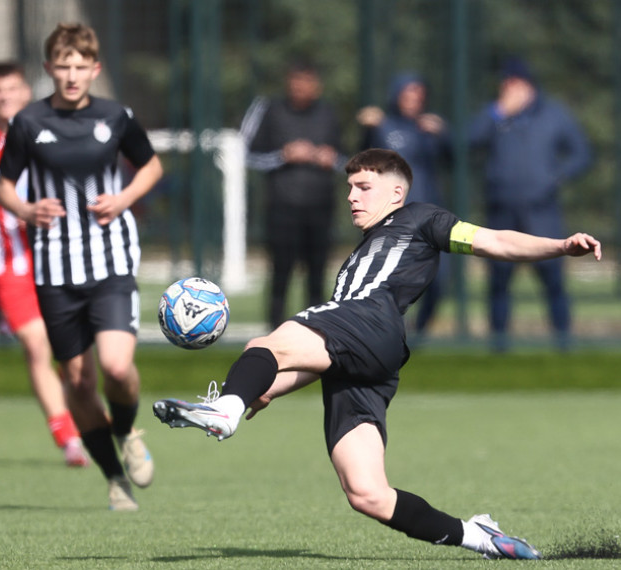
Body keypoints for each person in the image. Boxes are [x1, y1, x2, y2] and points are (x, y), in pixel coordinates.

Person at [154, 149, 601, 559]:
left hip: (371, 320)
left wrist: (559, 246)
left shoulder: (421, 218)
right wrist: (267, 387)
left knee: (263, 345)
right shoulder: (358, 255)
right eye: (349, 187)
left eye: (363, 187)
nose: (352, 197)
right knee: (367, 494)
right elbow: (324, 355)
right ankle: (480, 536)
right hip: (368, 360)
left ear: (397, 193)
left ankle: (225, 410)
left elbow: (494, 241)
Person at [0, 22, 163, 511]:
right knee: (78, 381)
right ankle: (114, 479)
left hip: (111, 261)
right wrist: (27, 209)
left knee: (116, 366)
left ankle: (127, 431)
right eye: (63, 66)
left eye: (80, 67)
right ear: (49, 68)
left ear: (95, 69)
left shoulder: (116, 116)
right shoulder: (28, 122)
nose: (72, 76)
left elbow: (151, 165)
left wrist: (124, 198)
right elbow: (5, 187)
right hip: (54, 269)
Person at [0, 60, 88, 468]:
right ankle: (67, 437)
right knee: (35, 344)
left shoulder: (52, 133)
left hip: (58, 258)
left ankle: (85, 413)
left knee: (72, 356)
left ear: (26, 92)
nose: (4, 97)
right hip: (7, 262)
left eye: (12, 89)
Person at [469, 56, 592, 351]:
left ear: (529, 86)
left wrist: (556, 176)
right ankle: (499, 348)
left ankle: (563, 344)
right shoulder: (495, 116)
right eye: (506, 83)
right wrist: (498, 112)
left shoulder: (553, 114)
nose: (510, 89)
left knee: (553, 281)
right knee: (499, 282)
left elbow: (582, 153)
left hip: (541, 211)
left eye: (516, 83)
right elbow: (465, 142)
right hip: (502, 211)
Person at [240, 60, 343, 329]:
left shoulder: (328, 113)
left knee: (317, 276)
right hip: (282, 207)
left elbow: (347, 159)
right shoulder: (270, 109)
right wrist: (283, 156)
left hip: (321, 206)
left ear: (316, 85)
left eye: (306, 81)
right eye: (296, 80)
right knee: (280, 273)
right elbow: (247, 154)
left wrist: (330, 159)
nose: (300, 87)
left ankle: (317, 331)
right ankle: (275, 330)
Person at [357, 73, 452, 338]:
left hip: (429, 216)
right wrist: (367, 129)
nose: (414, 100)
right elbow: (361, 158)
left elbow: (455, 158)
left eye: (419, 95)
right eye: (408, 94)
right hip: (395, 217)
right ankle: (388, 332)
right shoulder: (383, 126)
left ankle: (418, 332)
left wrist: (444, 134)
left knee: (439, 280)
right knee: (391, 280)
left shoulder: (429, 129)